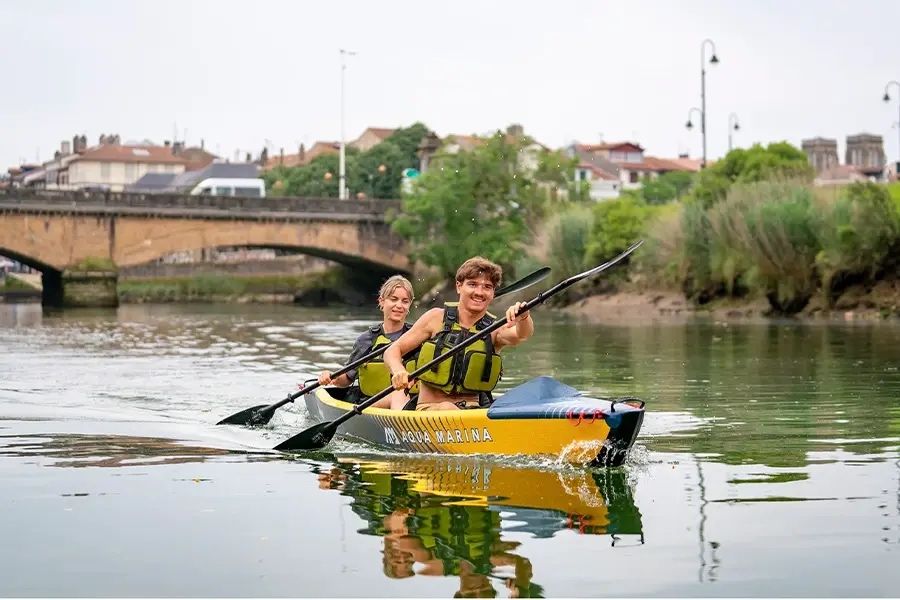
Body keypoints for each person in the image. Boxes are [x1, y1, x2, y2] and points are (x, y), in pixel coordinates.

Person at [382, 256, 533, 411]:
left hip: (472, 414)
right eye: (472, 284)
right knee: (448, 408)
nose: (479, 292)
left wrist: (524, 316)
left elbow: (522, 335)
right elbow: (392, 351)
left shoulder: (494, 330)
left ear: (493, 293)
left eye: (487, 287)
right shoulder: (435, 318)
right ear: (459, 286)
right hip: (429, 410)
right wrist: (398, 370)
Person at [317, 275, 416, 407]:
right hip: (372, 405)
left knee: (401, 394)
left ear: (410, 304)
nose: (399, 305)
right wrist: (331, 376)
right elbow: (346, 378)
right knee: (397, 393)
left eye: (405, 301)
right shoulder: (365, 340)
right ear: (381, 301)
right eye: (393, 299)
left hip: (409, 405)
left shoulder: (417, 336)